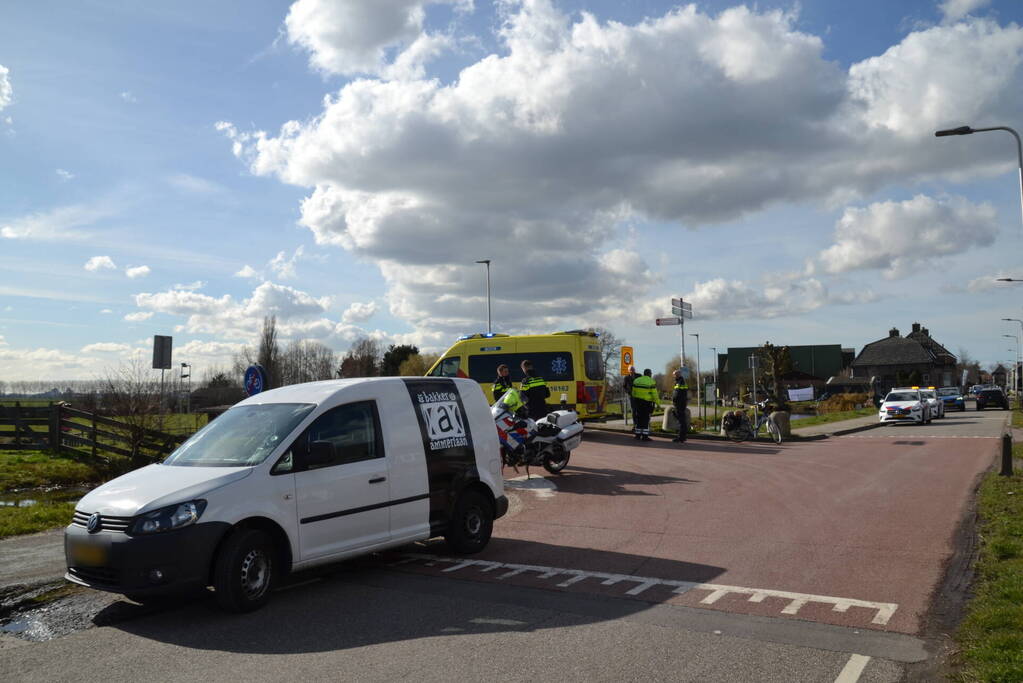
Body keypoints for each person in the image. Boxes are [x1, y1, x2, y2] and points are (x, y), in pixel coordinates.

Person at [631, 368, 658, 441]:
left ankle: (637, 435)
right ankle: (645, 436)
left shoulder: (636, 380)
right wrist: (658, 404)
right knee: (646, 419)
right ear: (649, 374)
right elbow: (654, 394)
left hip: (638, 402)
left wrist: (635, 400)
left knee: (639, 419)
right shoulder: (651, 381)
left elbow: (633, 393)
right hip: (646, 403)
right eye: (651, 373)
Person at [671, 368, 689, 443]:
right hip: (680, 403)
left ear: (678, 375)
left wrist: (674, 400)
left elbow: (677, 393)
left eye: (674, 375)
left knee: (681, 420)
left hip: (680, 403)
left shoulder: (680, 382)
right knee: (681, 419)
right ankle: (682, 436)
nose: (674, 376)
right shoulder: (680, 381)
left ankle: (681, 437)